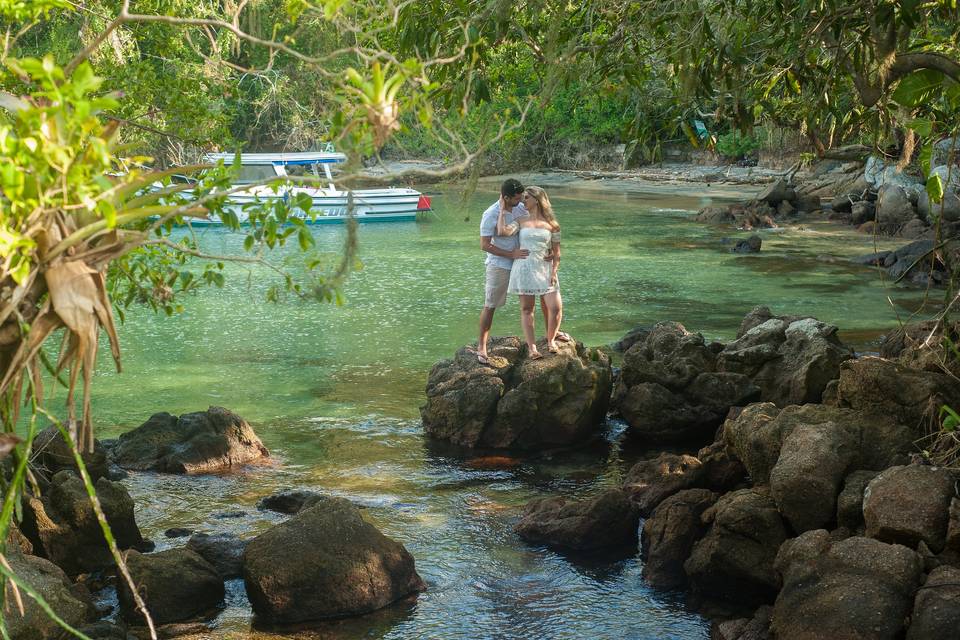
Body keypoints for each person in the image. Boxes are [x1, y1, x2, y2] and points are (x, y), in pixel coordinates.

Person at [472, 178, 529, 365]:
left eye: (521, 197)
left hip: (522, 262)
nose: (520, 201)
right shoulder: (490, 214)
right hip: (499, 264)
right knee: (490, 305)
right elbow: (484, 245)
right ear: (506, 197)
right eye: (516, 198)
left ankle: (537, 342)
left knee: (530, 302)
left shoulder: (521, 208)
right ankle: (481, 347)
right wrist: (510, 253)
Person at [506, 186, 565, 359]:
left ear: (537, 200)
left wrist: (554, 271)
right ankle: (532, 348)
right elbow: (502, 232)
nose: (523, 201)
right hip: (524, 267)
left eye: (526, 198)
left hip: (544, 269)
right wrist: (502, 209)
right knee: (527, 308)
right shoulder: (520, 220)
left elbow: (557, 253)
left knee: (555, 307)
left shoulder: (552, 225)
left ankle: (550, 340)